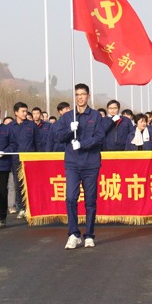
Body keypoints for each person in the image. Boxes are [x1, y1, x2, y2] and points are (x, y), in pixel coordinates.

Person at [55, 83, 105, 249]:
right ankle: (74, 234)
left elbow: (100, 137)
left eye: (83, 94)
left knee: (90, 200)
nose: (80, 97)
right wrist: (70, 130)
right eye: (77, 94)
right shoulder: (68, 117)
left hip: (90, 163)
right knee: (70, 198)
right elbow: (59, 136)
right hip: (73, 163)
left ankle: (89, 235)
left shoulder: (96, 116)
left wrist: (82, 144)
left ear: (88, 96)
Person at [9, 101, 37, 218]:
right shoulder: (10, 127)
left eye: (26, 111)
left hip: (30, 160)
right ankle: (21, 207)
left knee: (31, 184)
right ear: (16, 112)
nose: (25, 113)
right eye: (23, 111)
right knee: (18, 185)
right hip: (16, 160)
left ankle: (32, 207)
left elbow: (37, 142)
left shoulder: (32, 126)